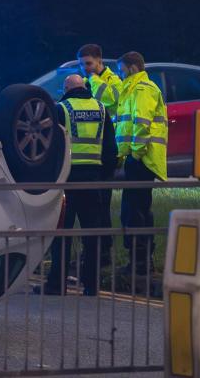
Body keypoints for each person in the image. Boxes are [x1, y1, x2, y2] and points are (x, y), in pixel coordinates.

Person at [39, 74, 117, 296]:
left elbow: (51, 146)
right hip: (93, 179)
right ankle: (92, 285)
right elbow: (111, 148)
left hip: (66, 179)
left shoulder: (61, 109)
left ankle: (57, 284)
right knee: (92, 233)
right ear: (84, 87)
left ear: (66, 88)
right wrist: (105, 176)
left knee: (61, 232)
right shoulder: (101, 109)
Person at [115, 51, 168, 275]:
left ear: (132, 68)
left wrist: (135, 154)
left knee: (134, 210)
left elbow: (141, 124)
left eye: (122, 70)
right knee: (138, 208)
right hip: (138, 158)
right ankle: (141, 261)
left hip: (142, 159)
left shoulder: (142, 89)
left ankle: (140, 262)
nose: (120, 74)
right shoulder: (134, 89)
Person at [77, 43, 120, 262]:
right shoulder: (87, 80)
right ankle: (96, 252)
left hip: (107, 149)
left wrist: (93, 79)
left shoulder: (111, 81)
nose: (85, 68)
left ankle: (104, 252)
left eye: (89, 63)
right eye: (82, 64)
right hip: (94, 151)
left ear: (99, 61)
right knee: (95, 205)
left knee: (103, 203)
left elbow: (111, 101)